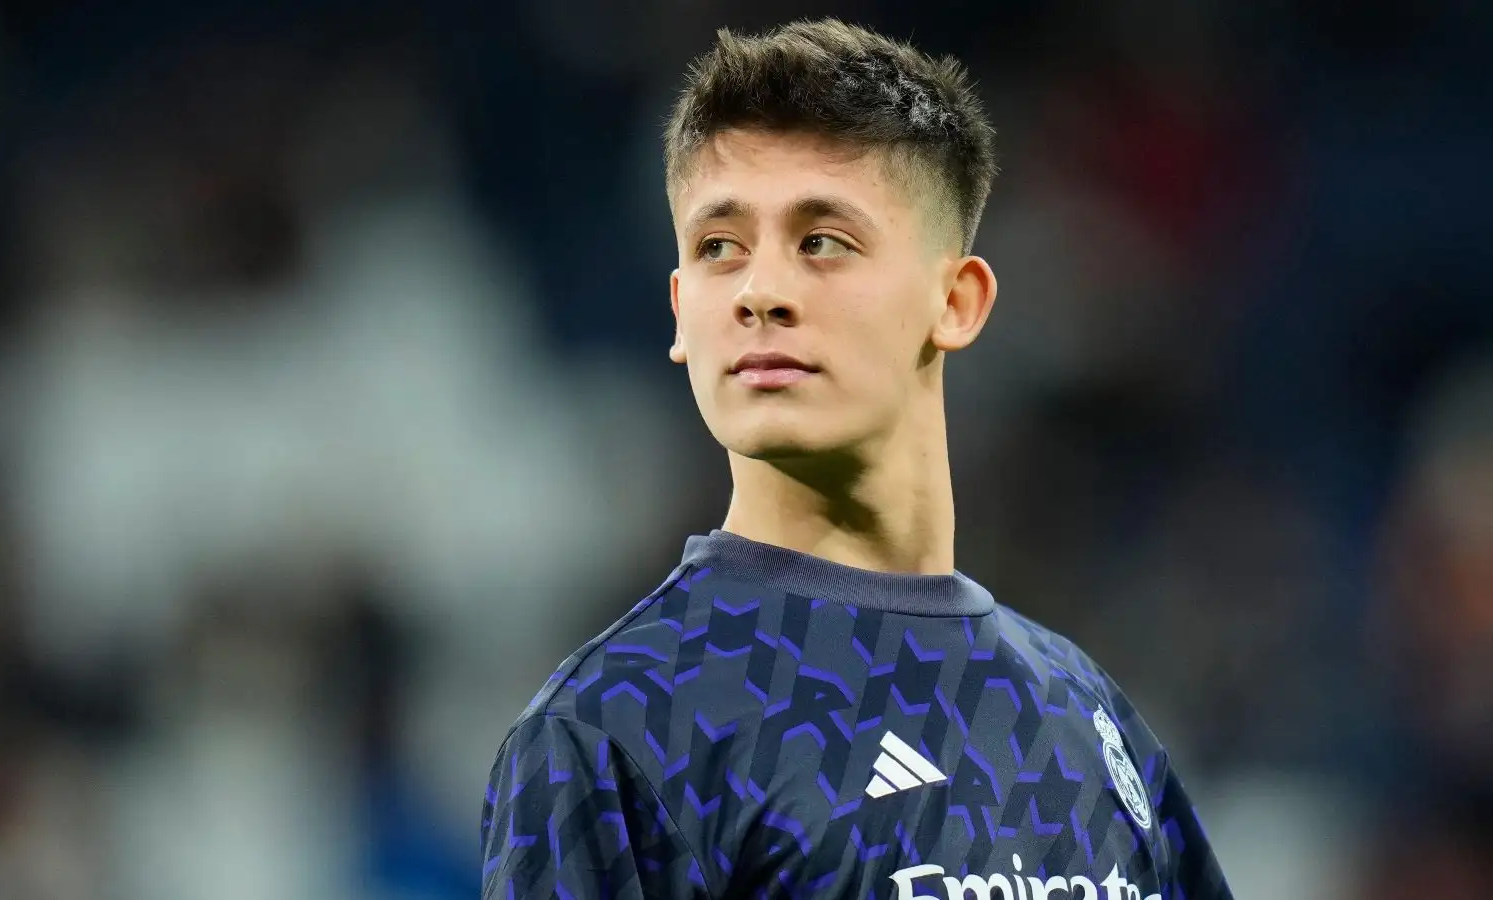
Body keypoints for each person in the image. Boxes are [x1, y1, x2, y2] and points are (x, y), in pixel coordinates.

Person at [480, 19, 1232, 900]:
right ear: (681, 311)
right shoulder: (619, 732)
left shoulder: (1092, 720)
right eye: (719, 247)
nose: (760, 292)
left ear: (955, 300)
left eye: (822, 241)